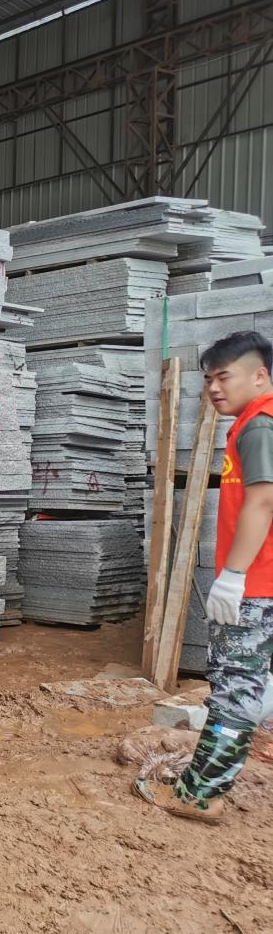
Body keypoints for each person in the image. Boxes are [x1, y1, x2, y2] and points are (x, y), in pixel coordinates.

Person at [135, 330, 273, 822]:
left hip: (257, 583)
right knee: (251, 686)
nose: (215, 388)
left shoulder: (260, 425)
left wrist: (234, 575)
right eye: (209, 379)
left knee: (235, 687)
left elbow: (262, 500)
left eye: (225, 376)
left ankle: (200, 795)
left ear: (260, 374)